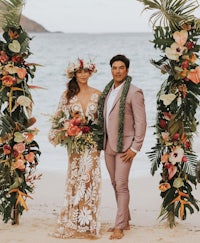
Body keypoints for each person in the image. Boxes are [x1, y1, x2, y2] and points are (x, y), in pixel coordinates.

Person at [48, 58, 102, 239]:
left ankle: (89, 223)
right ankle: (73, 220)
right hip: (75, 145)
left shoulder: (98, 94)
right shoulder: (67, 95)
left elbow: (102, 122)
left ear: (91, 73)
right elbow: (58, 117)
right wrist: (64, 130)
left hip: (92, 143)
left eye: (86, 71)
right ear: (74, 74)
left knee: (90, 182)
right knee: (76, 179)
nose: (83, 74)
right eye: (80, 72)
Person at [98, 54, 147, 240]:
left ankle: (119, 226)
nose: (117, 71)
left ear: (127, 70)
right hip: (108, 145)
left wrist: (135, 148)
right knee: (114, 183)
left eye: (121, 68)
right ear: (111, 70)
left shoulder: (135, 92)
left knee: (122, 184)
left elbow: (141, 122)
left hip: (125, 146)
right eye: (114, 68)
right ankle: (125, 220)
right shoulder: (108, 91)